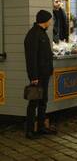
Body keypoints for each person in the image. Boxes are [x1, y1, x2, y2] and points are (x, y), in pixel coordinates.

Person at [24, 10, 57, 139]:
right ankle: (30, 131)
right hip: (38, 75)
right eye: (49, 20)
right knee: (34, 103)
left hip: (44, 74)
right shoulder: (33, 35)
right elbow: (31, 58)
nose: (50, 22)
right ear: (44, 20)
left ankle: (41, 127)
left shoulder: (42, 33)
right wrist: (33, 77)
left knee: (43, 101)